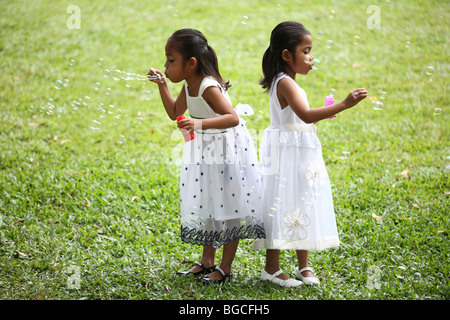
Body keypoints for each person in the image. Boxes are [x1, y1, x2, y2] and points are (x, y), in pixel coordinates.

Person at [253, 21, 367, 287]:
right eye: (306, 51)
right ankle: (271, 269)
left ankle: (304, 266)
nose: (311, 58)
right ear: (286, 55)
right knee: (281, 205)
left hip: (298, 153)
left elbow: (300, 118)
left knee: (301, 203)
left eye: (311, 51)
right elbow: (304, 114)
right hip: (288, 156)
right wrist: (344, 104)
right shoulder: (285, 83)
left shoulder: (288, 81)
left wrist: (326, 112)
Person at [148, 28, 265, 284]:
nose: (166, 66)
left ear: (191, 63)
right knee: (208, 202)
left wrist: (198, 124)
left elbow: (232, 118)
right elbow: (174, 112)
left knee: (229, 203)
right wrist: (162, 85)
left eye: (170, 60)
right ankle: (207, 260)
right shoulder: (189, 84)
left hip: (224, 149)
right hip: (204, 149)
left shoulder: (206, 85)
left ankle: (225, 267)